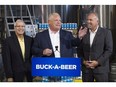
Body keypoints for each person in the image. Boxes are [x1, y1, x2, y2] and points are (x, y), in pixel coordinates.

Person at [32, 12, 87, 82]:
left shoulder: (67, 34)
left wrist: (79, 37)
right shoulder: (40, 36)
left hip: (65, 69)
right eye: (56, 20)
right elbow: (33, 50)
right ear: (49, 22)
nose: (59, 22)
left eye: (60, 21)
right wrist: (43, 52)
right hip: (48, 70)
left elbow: (75, 43)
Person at [77, 12, 113, 82]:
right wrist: (83, 62)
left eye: (90, 20)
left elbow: (109, 50)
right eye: (87, 20)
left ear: (97, 21)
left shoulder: (106, 33)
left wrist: (97, 62)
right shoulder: (84, 33)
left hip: (101, 70)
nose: (88, 22)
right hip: (86, 71)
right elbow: (79, 50)